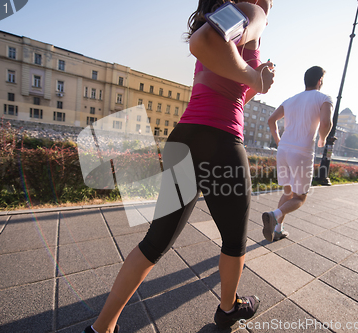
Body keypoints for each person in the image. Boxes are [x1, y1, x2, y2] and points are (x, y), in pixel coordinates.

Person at [83, 1, 275, 332]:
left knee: (154, 242)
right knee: (234, 242)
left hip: (184, 139)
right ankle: (228, 309)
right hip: (221, 145)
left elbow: (229, 92)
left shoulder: (230, 16)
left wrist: (255, 83)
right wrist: (254, 78)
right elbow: (202, 43)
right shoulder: (251, 11)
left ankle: (102, 327)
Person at [262, 66, 333, 242]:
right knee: (300, 197)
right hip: (302, 152)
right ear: (320, 81)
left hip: (284, 150)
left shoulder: (290, 100)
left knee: (287, 193)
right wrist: (322, 139)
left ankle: (278, 229)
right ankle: (274, 215)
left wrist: (279, 141)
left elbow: (271, 120)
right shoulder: (324, 98)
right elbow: (326, 122)